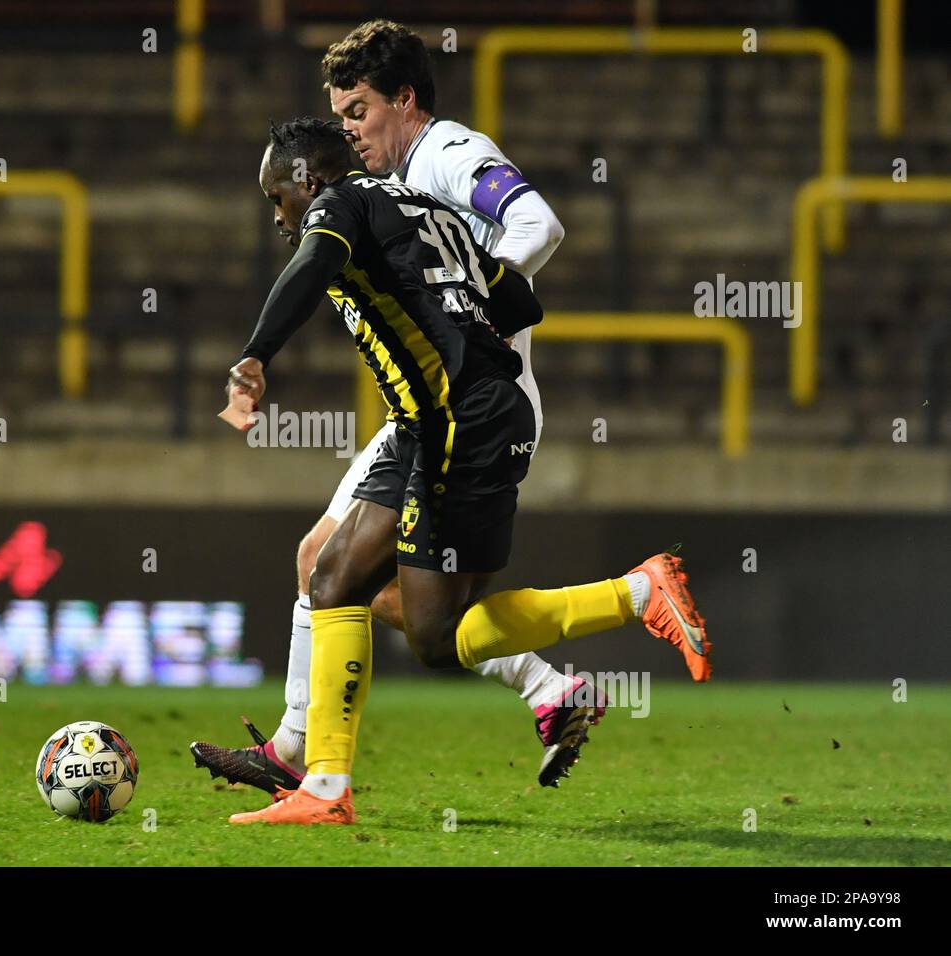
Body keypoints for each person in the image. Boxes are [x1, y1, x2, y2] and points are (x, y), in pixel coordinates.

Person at [224, 119, 709, 826]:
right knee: (332, 576)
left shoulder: (339, 204)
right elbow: (519, 300)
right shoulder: (426, 210)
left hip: (459, 423)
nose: (278, 216)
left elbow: (312, 266)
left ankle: (637, 592)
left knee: (434, 636)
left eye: (278, 197)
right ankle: (323, 788)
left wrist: (256, 356)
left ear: (308, 180)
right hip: (431, 421)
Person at [191, 20, 607, 797]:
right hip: (426, 399)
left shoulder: (447, 154)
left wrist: (473, 307)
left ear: (405, 100)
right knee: (326, 563)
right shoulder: (381, 185)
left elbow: (537, 223)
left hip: (469, 398)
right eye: (340, 117)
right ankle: (297, 744)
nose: (348, 132)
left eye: (358, 112)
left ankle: (565, 669)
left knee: (427, 625)